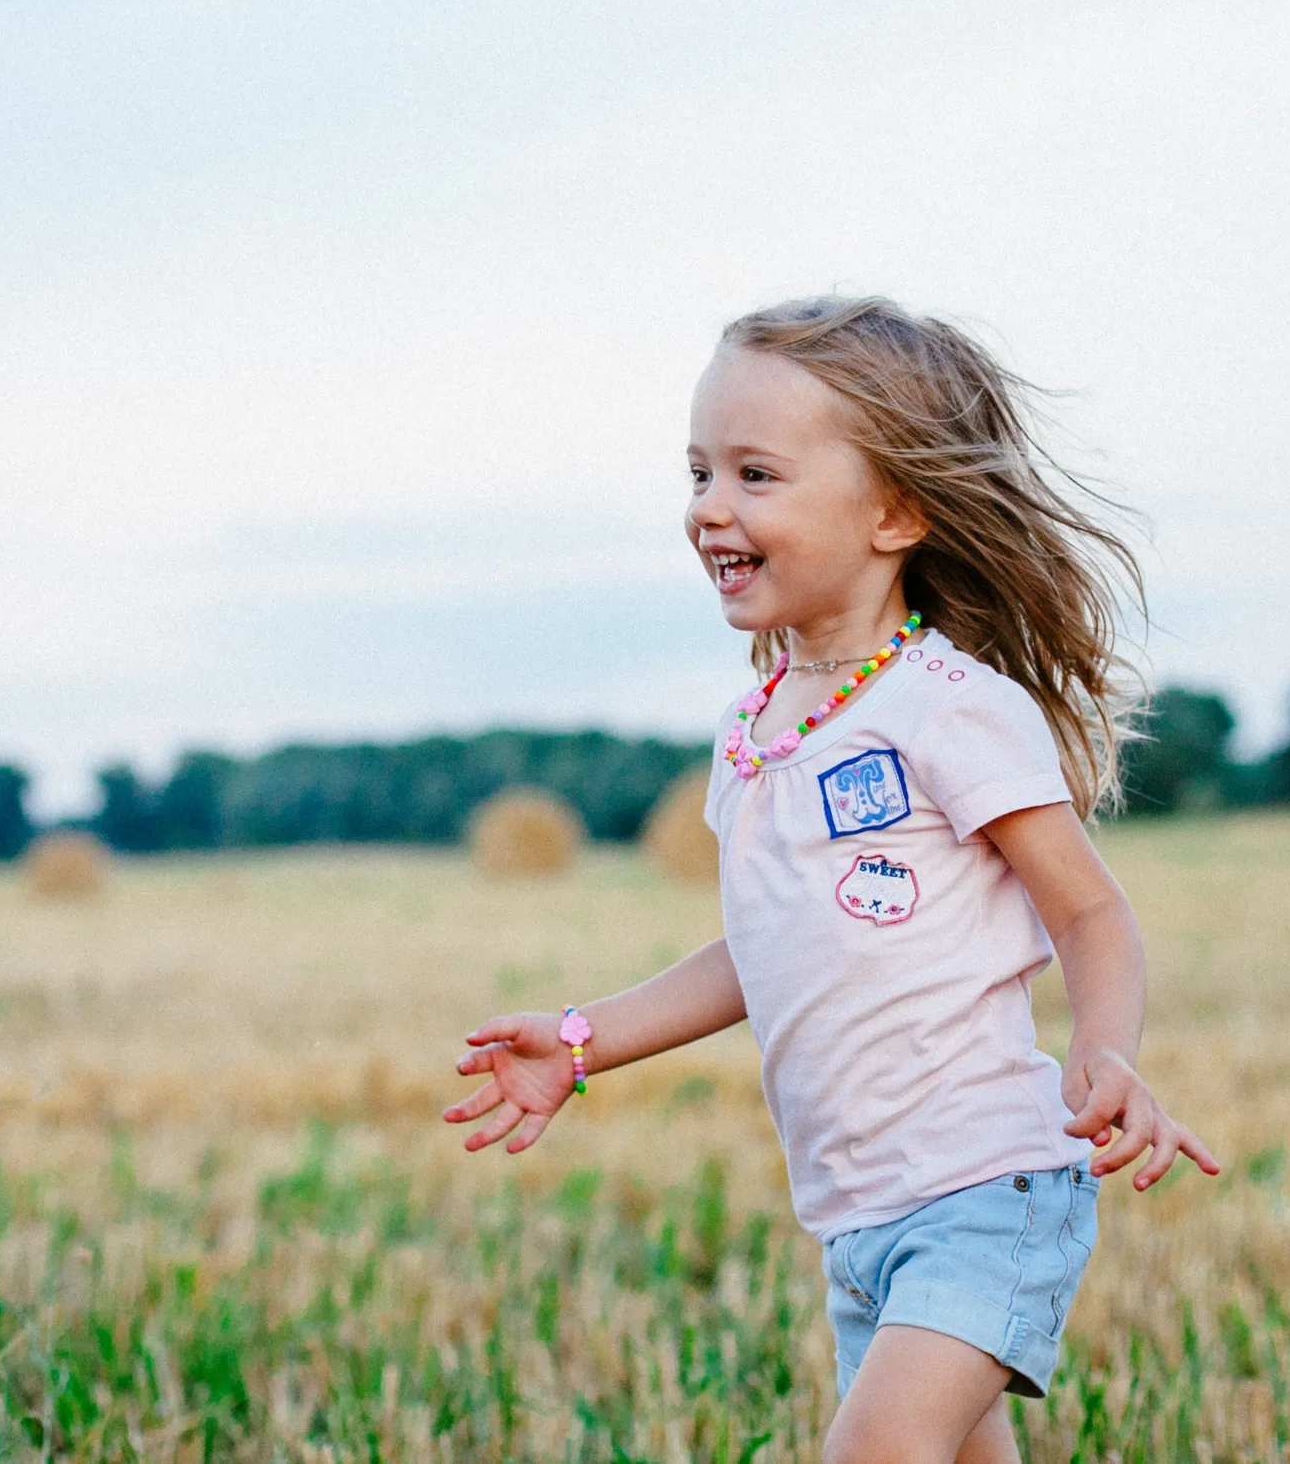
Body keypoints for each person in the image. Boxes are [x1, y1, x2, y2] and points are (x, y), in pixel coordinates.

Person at [444, 296, 1219, 1464]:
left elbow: (1087, 907)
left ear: (894, 510)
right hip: (857, 1218)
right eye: (699, 471)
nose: (710, 507)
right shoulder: (756, 729)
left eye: (756, 475)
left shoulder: (952, 709)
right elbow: (761, 947)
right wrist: (584, 1037)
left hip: (984, 1188)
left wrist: (1105, 1049)